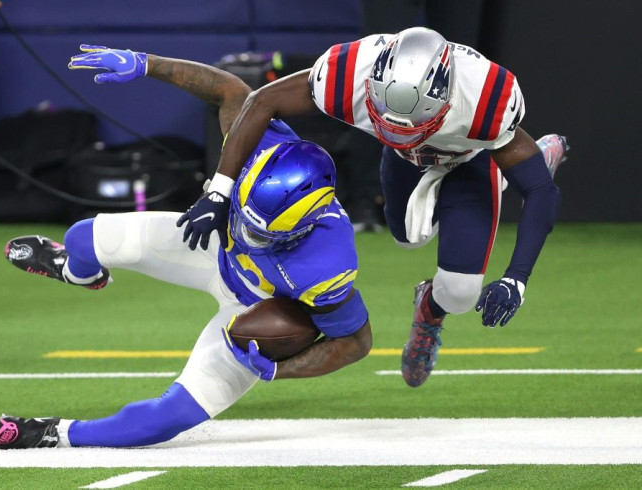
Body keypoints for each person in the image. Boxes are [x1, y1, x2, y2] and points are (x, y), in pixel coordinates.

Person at [0, 45, 372, 449]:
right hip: (212, 248)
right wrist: (147, 64)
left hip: (253, 307)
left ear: (302, 228)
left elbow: (355, 343)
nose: (250, 232)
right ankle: (78, 273)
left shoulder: (329, 265)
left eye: (263, 232)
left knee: (166, 420)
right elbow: (228, 89)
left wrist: (280, 369)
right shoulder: (259, 146)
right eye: (247, 215)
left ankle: (53, 432)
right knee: (82, 237)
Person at [177, 27, 568, 388]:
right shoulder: (348, 71)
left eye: (413, 122)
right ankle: (499, 177)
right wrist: (219, 191)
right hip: (404, 160)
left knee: (461, 294)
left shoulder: (485, 99)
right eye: (388, 118)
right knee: (408, 239)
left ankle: (432, 307)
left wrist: (516, 277)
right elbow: (261, 101)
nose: (399, 126)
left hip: (469, 160)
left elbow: (540, 192)